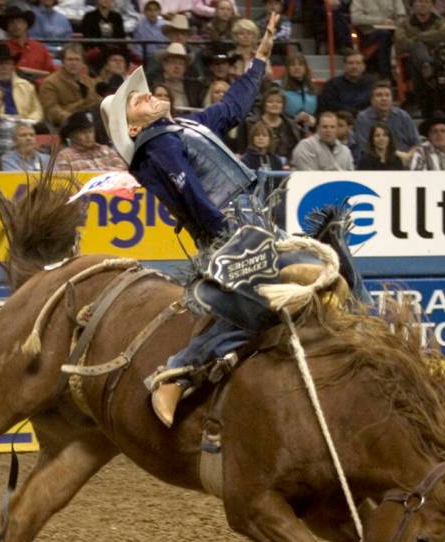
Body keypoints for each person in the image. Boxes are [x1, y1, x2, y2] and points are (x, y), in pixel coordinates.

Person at [100, 14, 342, 426]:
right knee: (279, 295)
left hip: (250, 224)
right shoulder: (156, 146)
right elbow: (189, 190)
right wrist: (225, 232)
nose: (150, 94)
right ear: (136, 127)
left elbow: (232, 107)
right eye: (139, 100)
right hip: (232, 231)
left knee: (326, 270)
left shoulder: (183, 129)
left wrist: (260, 58)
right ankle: (178, 370)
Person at [394, 0, 445, 117]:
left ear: (432, 5)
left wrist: (417, 37)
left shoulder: (440, 21)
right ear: (413, 5)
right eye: (419, 2)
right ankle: (427, 68)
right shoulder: (404, 23)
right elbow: (400, 44)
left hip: (438, 58)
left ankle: (427, 69)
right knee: (417, 48)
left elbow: (443, 35)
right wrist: (427, 39)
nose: (422, 5)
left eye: (426, 2)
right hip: (410, 61)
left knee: (419, 49)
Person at [353, 80, 420, 164]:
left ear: (392, 99)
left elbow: (416, 143)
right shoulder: (363, 118)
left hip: (406, 161)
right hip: (377, 162)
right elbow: (365, 147)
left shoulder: (403, 116)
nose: (384, 98)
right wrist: (397, 156)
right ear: (372, 100)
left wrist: (408, 156)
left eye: (387, 95)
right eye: (379, 95)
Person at [0, 44, 44, 123]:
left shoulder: (27, 86)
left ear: (13, 66)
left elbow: (38, 111)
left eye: (8, 63)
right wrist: (5, 118)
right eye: (0, 63)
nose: (4, 67)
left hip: (25, 125)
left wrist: (26, 120)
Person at [38, 42, 100, 127]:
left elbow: (98, 103)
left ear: (83, 63)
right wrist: (76, 119)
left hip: (92, 125)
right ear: (62, 62)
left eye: (77, 59)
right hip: (63, 127)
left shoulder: (90, 82)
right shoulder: (50, 83)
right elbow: (51, 111)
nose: (73, 63)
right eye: (70, 59)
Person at [236, 85, 301, 161]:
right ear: (264, 104)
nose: (275, 104)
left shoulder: (291, 126)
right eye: (270, 101)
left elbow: (293, 151)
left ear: (283, 105)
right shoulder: (249, 123)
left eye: (279, 102)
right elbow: (241, 150)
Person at [351, 0, 407, 78]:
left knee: (405, 37)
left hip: (393, 31)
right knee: (384, 34)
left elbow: (402, 16)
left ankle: (405, 76)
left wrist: (395, 23)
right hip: (369, 34)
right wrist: (379, 21)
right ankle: (385, 76)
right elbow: (355, 18)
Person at [55, 110, 127, 170]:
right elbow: (66, 182)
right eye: (82, 132)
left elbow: (123, 169)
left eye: (90, 131)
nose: (88, 136)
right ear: (72, 135)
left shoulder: (106, 150)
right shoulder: (65, 156)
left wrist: (99, 174)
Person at [0, 6, 56, 76]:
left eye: (19, 21)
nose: (16, 25)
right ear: (7, 27)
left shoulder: (40, 48)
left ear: (26, 25)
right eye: (11, 22)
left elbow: (52, 74)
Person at [317, 49, 374, 116]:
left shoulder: (372, 84)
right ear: (344, 66)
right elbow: (331, 106)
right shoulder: (332, 85)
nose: (354, 67)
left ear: (364, 66)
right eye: (350, 63)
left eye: (358, 63)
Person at [278, 52, 317, 134]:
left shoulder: (312, 88)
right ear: (287, 68)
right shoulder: (278, 86)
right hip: (285, 130)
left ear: (306, 68)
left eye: (300, 65)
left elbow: (319, 112)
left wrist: (314, 120)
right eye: (293, 65)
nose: (297, 67)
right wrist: (294, 120)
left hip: (309, 129)